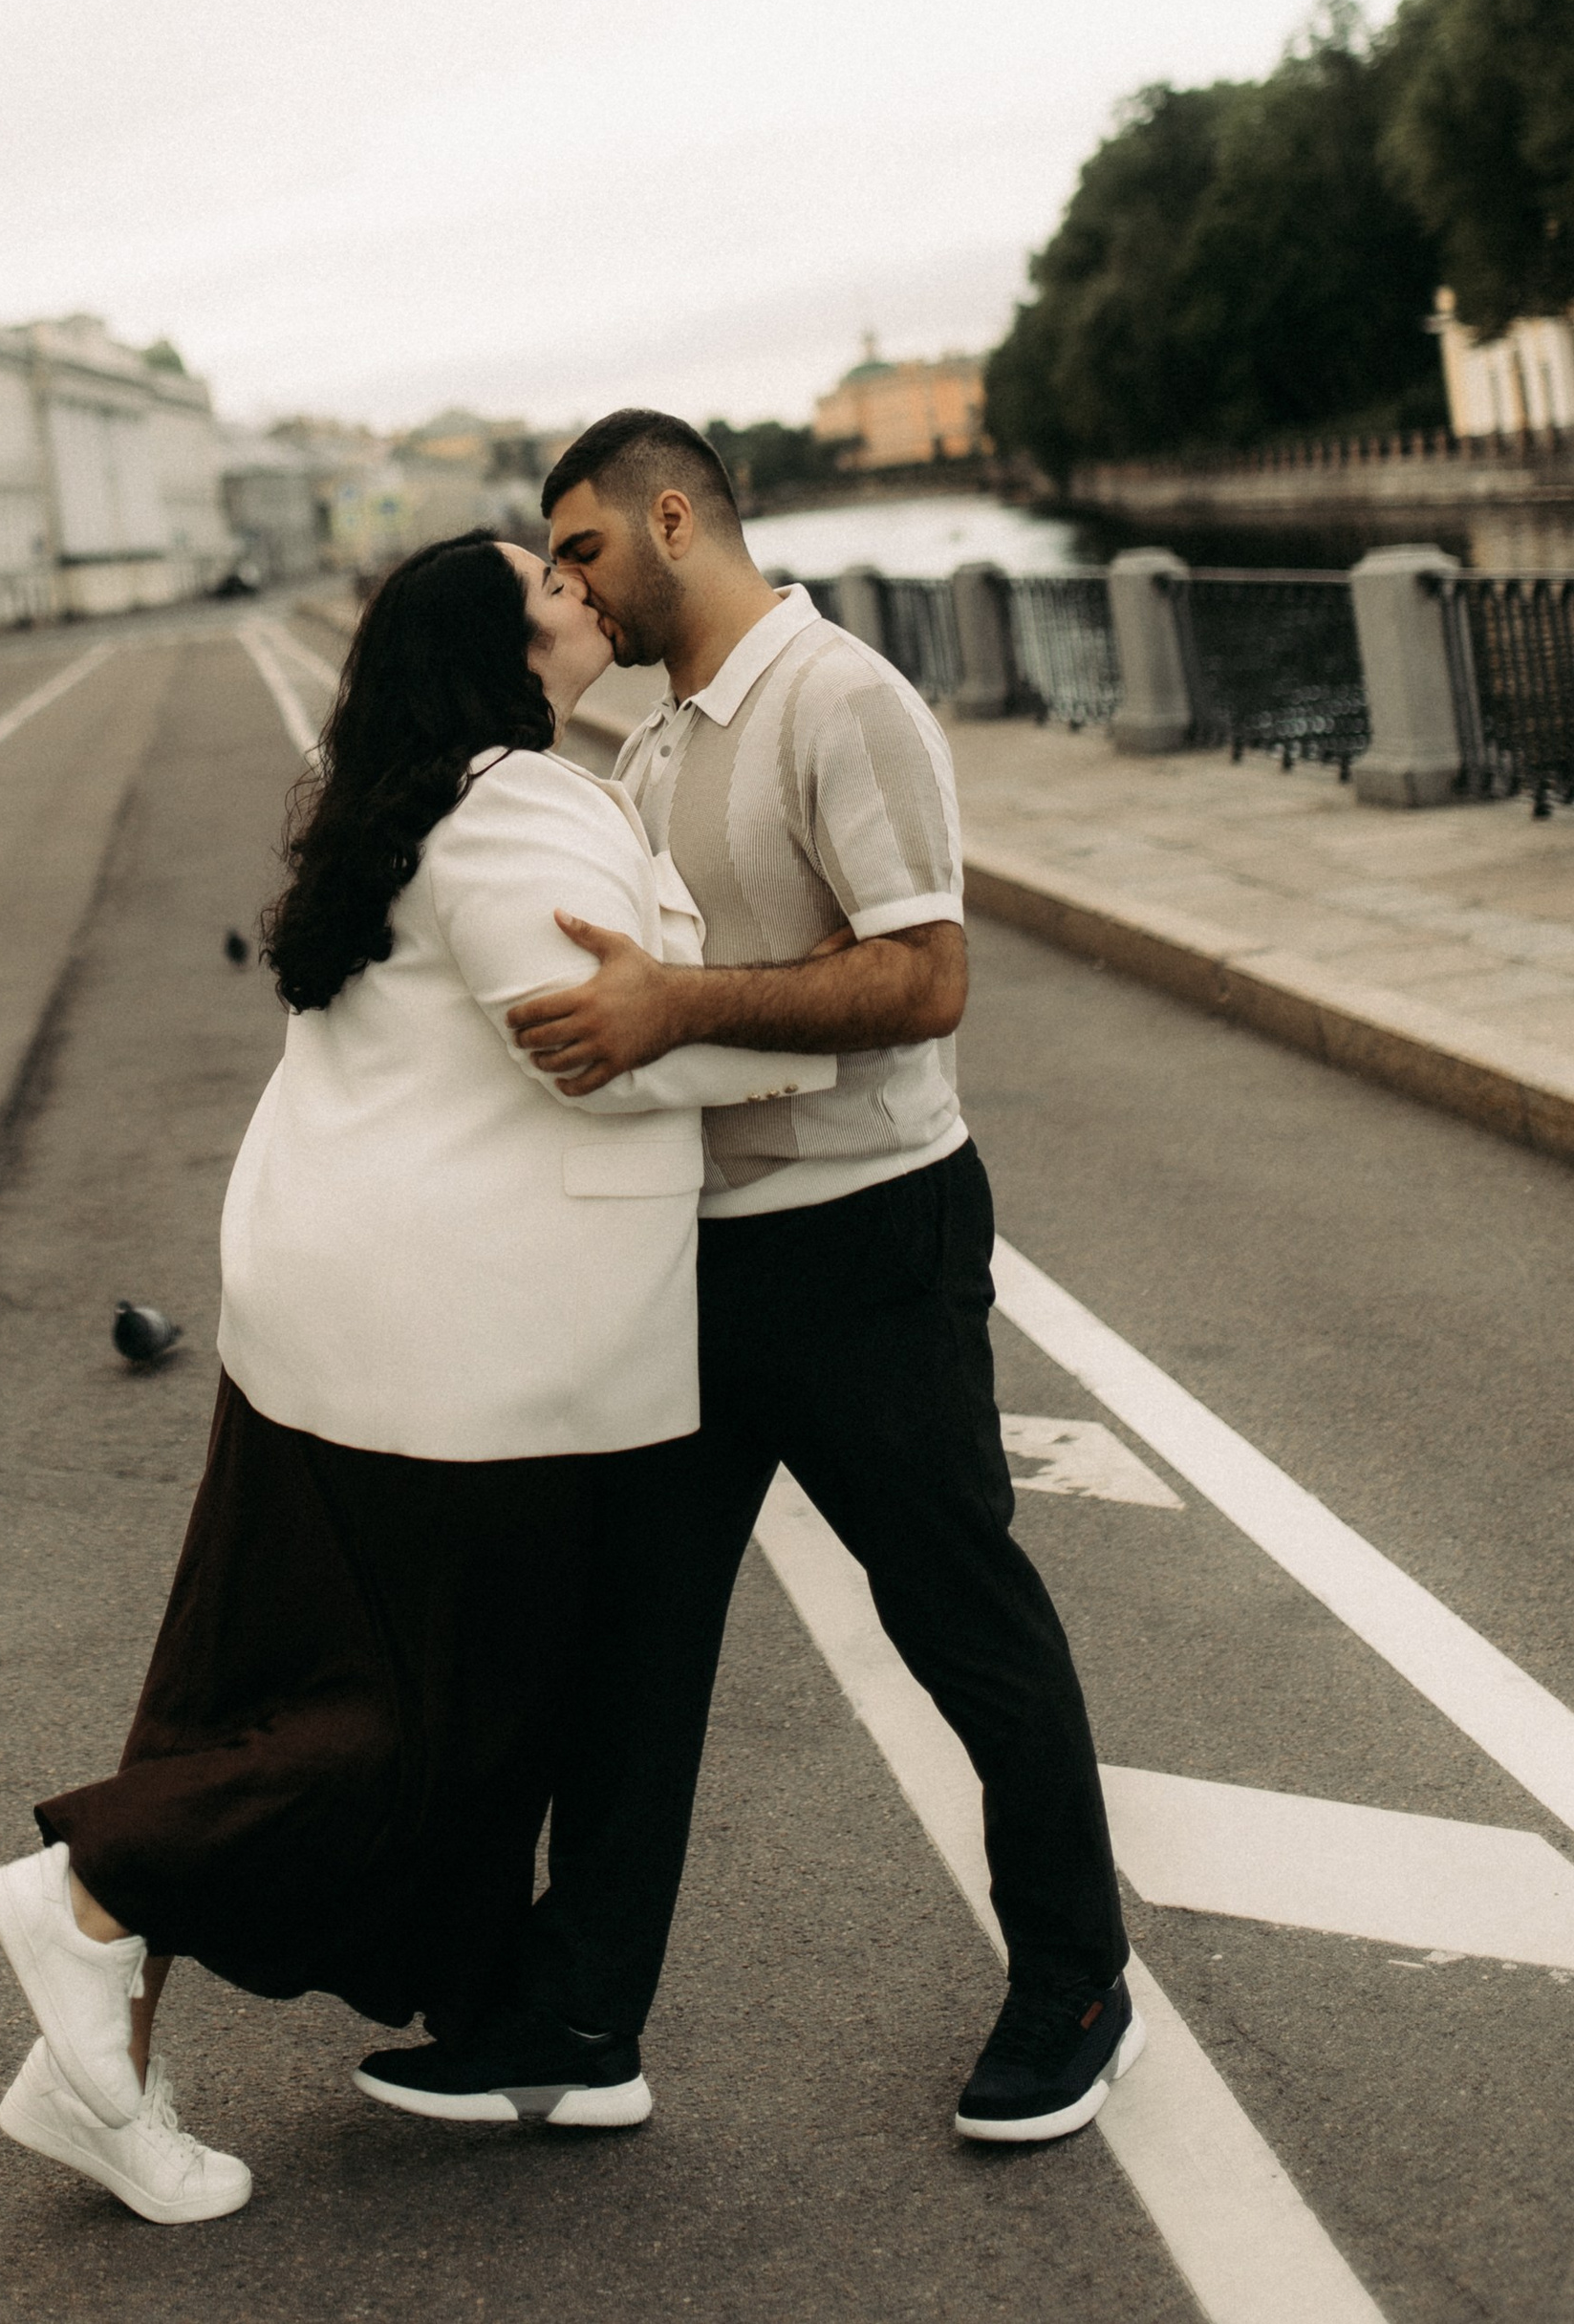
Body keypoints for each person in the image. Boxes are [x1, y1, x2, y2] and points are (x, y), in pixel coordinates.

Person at [0, 530, 812, 2223]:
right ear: (496, 648)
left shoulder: (414, 791)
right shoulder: (514, 800)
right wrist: (833, 1014)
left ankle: (95, 2075)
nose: (584, 592)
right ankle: (91, 1893)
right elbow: (597, 1041)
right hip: (462, 1347)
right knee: (439, 1733)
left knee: (252, 1684)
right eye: (552, 584)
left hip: (345, 1315)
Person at [356, 413, 1137, 2148]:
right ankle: (577, 2019)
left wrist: (677, 1008)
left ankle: (1078, 1979)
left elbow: (925, 976)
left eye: (579, 551)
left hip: (869, 1242)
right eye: (551, 564)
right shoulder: (643, 746)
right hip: (698, 1264)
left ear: (675, 514)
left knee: (960, 1619)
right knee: (631, 1653)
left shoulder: (840, 699)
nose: (563, 587)